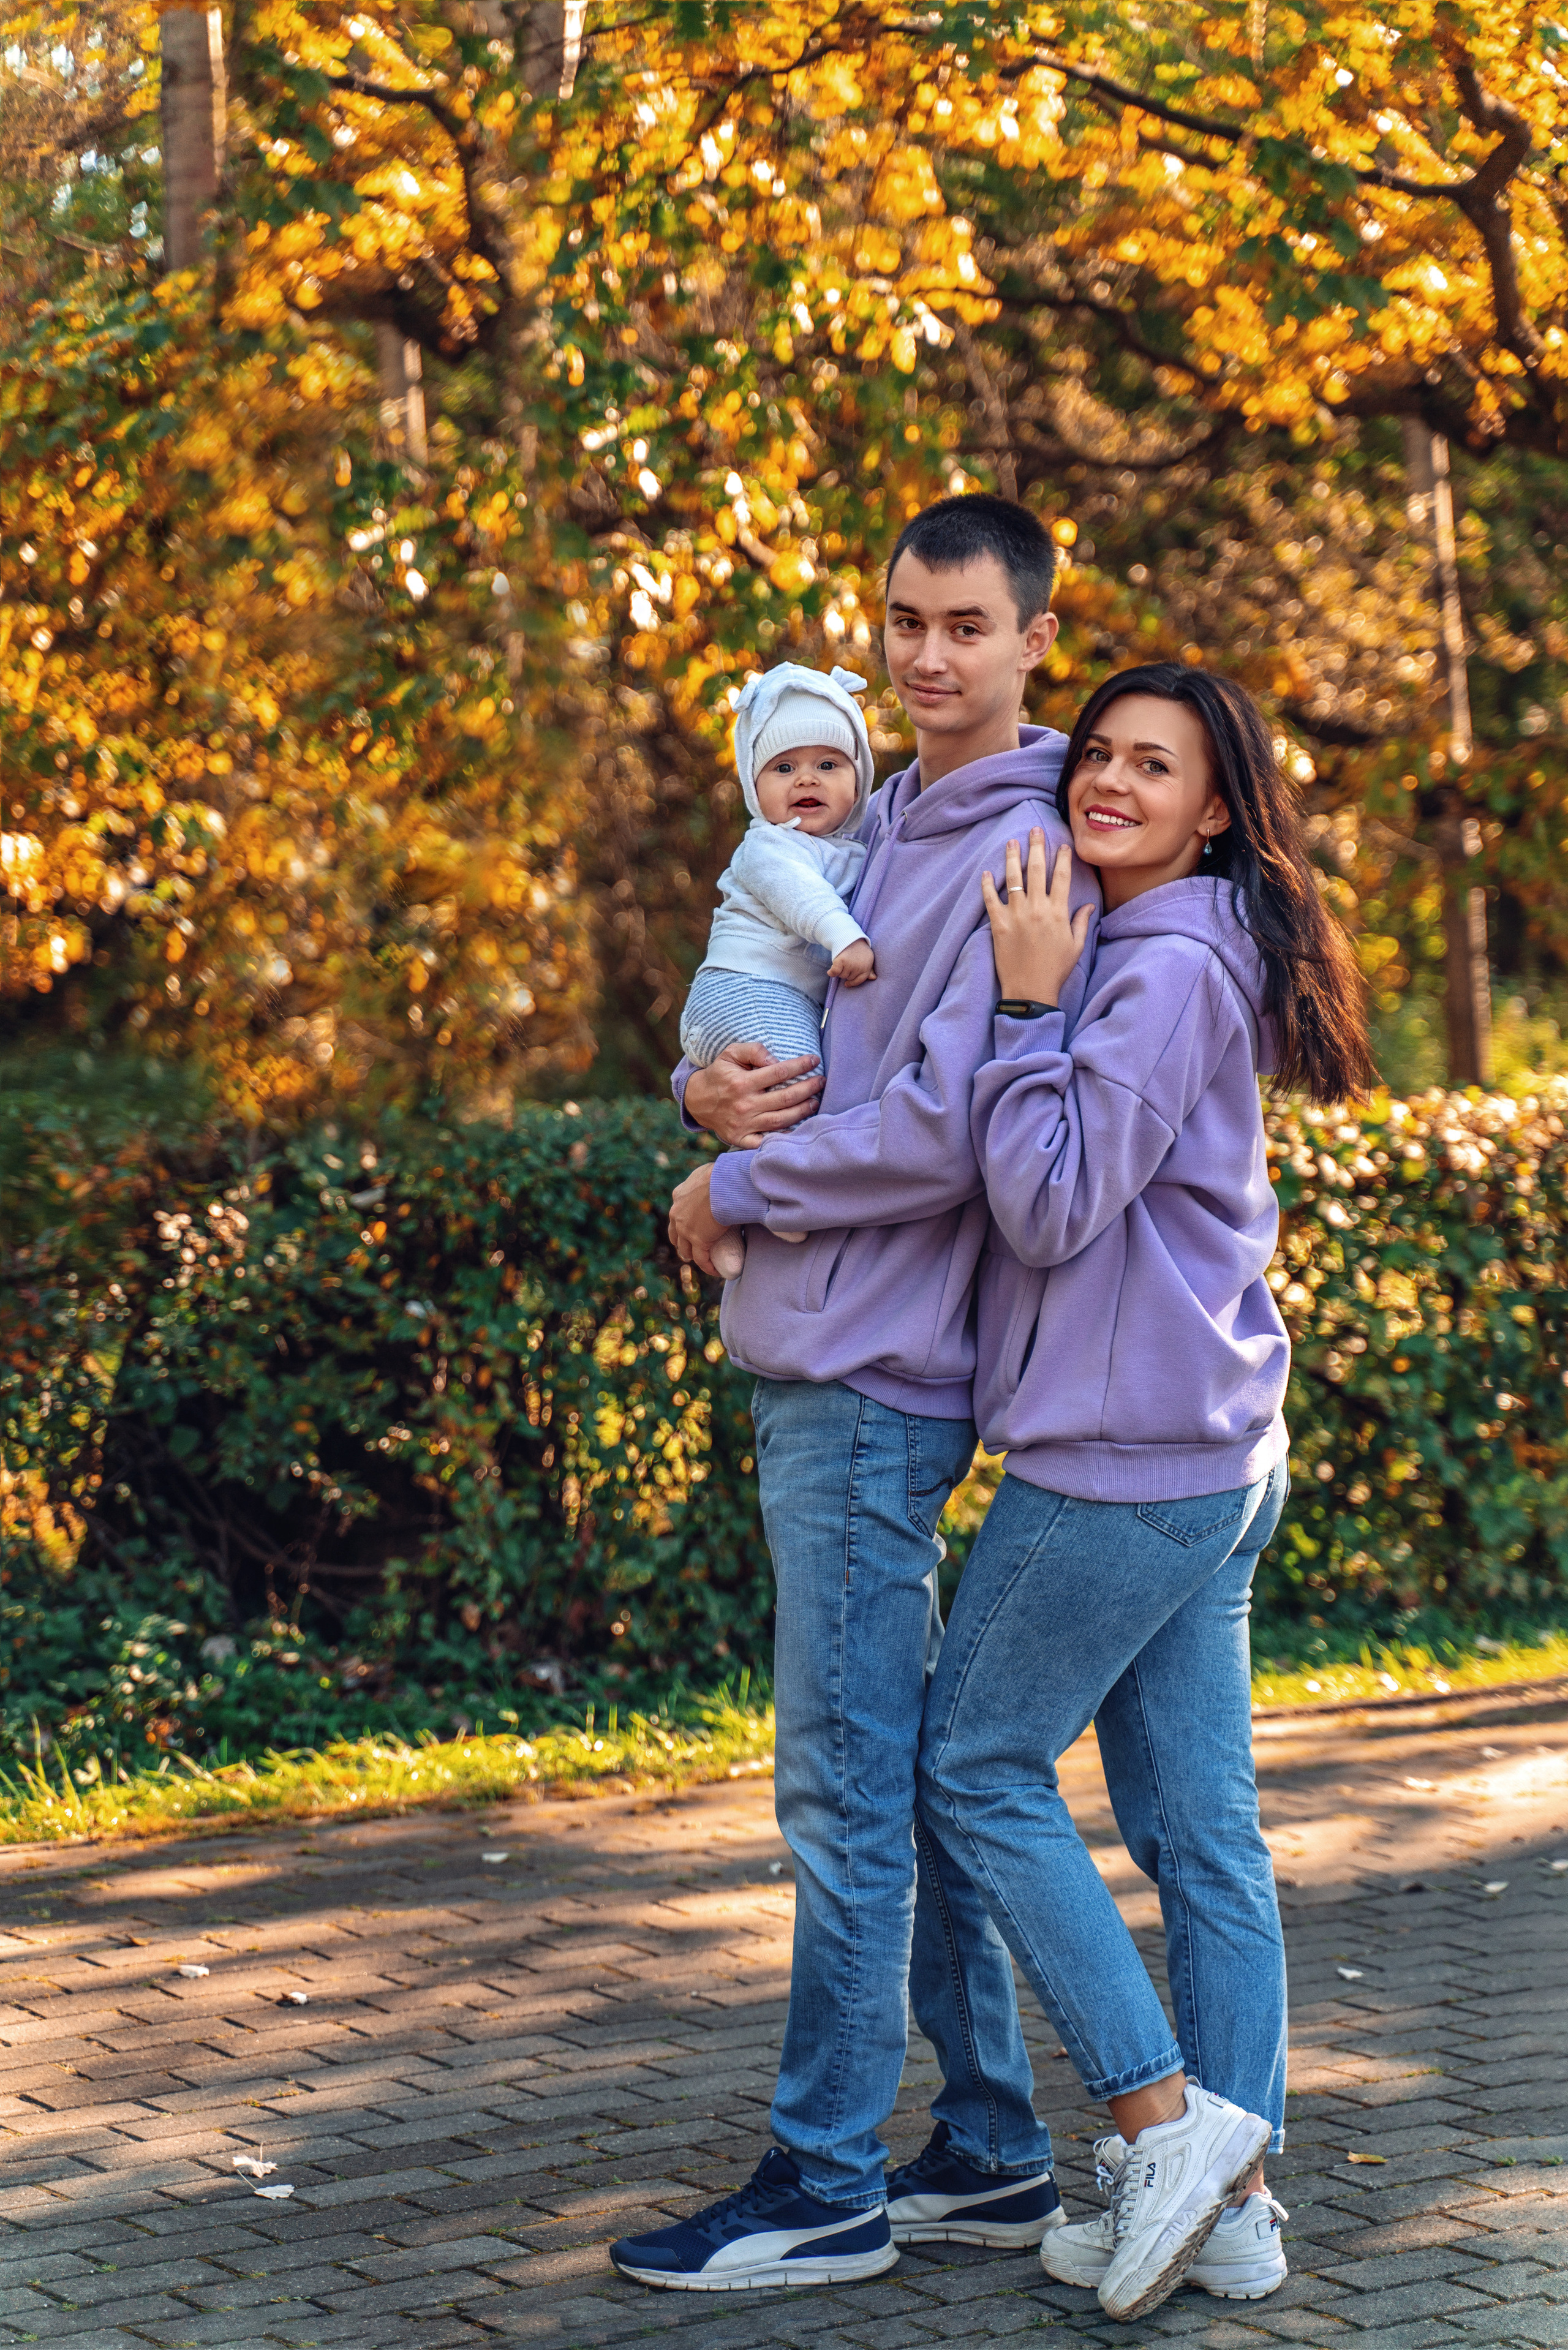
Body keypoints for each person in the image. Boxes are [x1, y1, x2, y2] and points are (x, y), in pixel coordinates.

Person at [608, 494, 1098, 2293]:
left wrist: (722, 1196)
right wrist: (709, 1103)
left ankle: (818, 2178)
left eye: (964, 624)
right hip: (837, 1352)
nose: (924, 654)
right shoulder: (879, 811)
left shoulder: (1022, 845)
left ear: (1034, 636)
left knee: (834, 1789)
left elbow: (950, 1131)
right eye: (902, 619)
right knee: (887, 1778)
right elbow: (791, 1033)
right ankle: (983, 2142)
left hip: (867, 1370)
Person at [914, 663, 1376, 2323]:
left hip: (1126, 1461)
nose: (1107, 779)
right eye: (1097, 750)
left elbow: (1047, 1205)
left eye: (1152, 765)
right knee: (1201, 1837)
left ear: (1215, 809)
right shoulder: (1189, 944)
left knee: (970, 1759)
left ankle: (1158, 2118)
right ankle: (1234, 2208)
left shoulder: (1161, 965)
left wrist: (1031, 1005)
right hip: (1211, 1449)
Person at [679, 661, 878, 1279]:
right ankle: (776, 1197)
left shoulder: (854, 845)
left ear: (858, 777)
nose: (805, 781)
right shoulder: (771, 845)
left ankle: (731, 1224)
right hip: (742, 990)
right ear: (753, 785)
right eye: (783, 768)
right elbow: (800, 897)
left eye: (828, 764)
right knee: (799, 1084)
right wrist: (846, 938)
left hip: (766, 997)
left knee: (783, 1090)